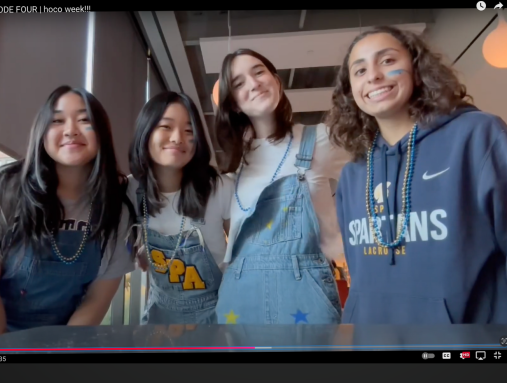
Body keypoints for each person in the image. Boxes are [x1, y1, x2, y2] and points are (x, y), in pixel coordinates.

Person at [326, 25, 507, 324]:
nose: (373, 75)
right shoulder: (353, 173)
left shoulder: (478, 136)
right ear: (350, 92)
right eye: (359, 71)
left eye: (387, 61)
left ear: (417, 69)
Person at [0, 86, 136, 343]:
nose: (70, 130)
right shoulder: (3, 188)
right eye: (57, 120)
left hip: (55, 338)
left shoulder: (115, 209)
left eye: (84, 120)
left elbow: (97, 299)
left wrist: (61, 352)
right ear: (42, 133)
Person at [213, 48, 350, 325]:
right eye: (239, 83)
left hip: (306, 294)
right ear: (235, 104)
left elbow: (377, 170)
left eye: (259, 72)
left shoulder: (320, 139)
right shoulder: (233, 167)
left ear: (276, 80)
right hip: (238, 297)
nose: (253, 84)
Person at [128, 91, 234, 324]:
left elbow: (241, 258)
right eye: (166, 127)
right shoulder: (131, 190)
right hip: (159, 317)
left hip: (215, 315)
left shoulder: (220, 188)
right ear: (146, 132)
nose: (178, 138)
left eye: (189, 131)